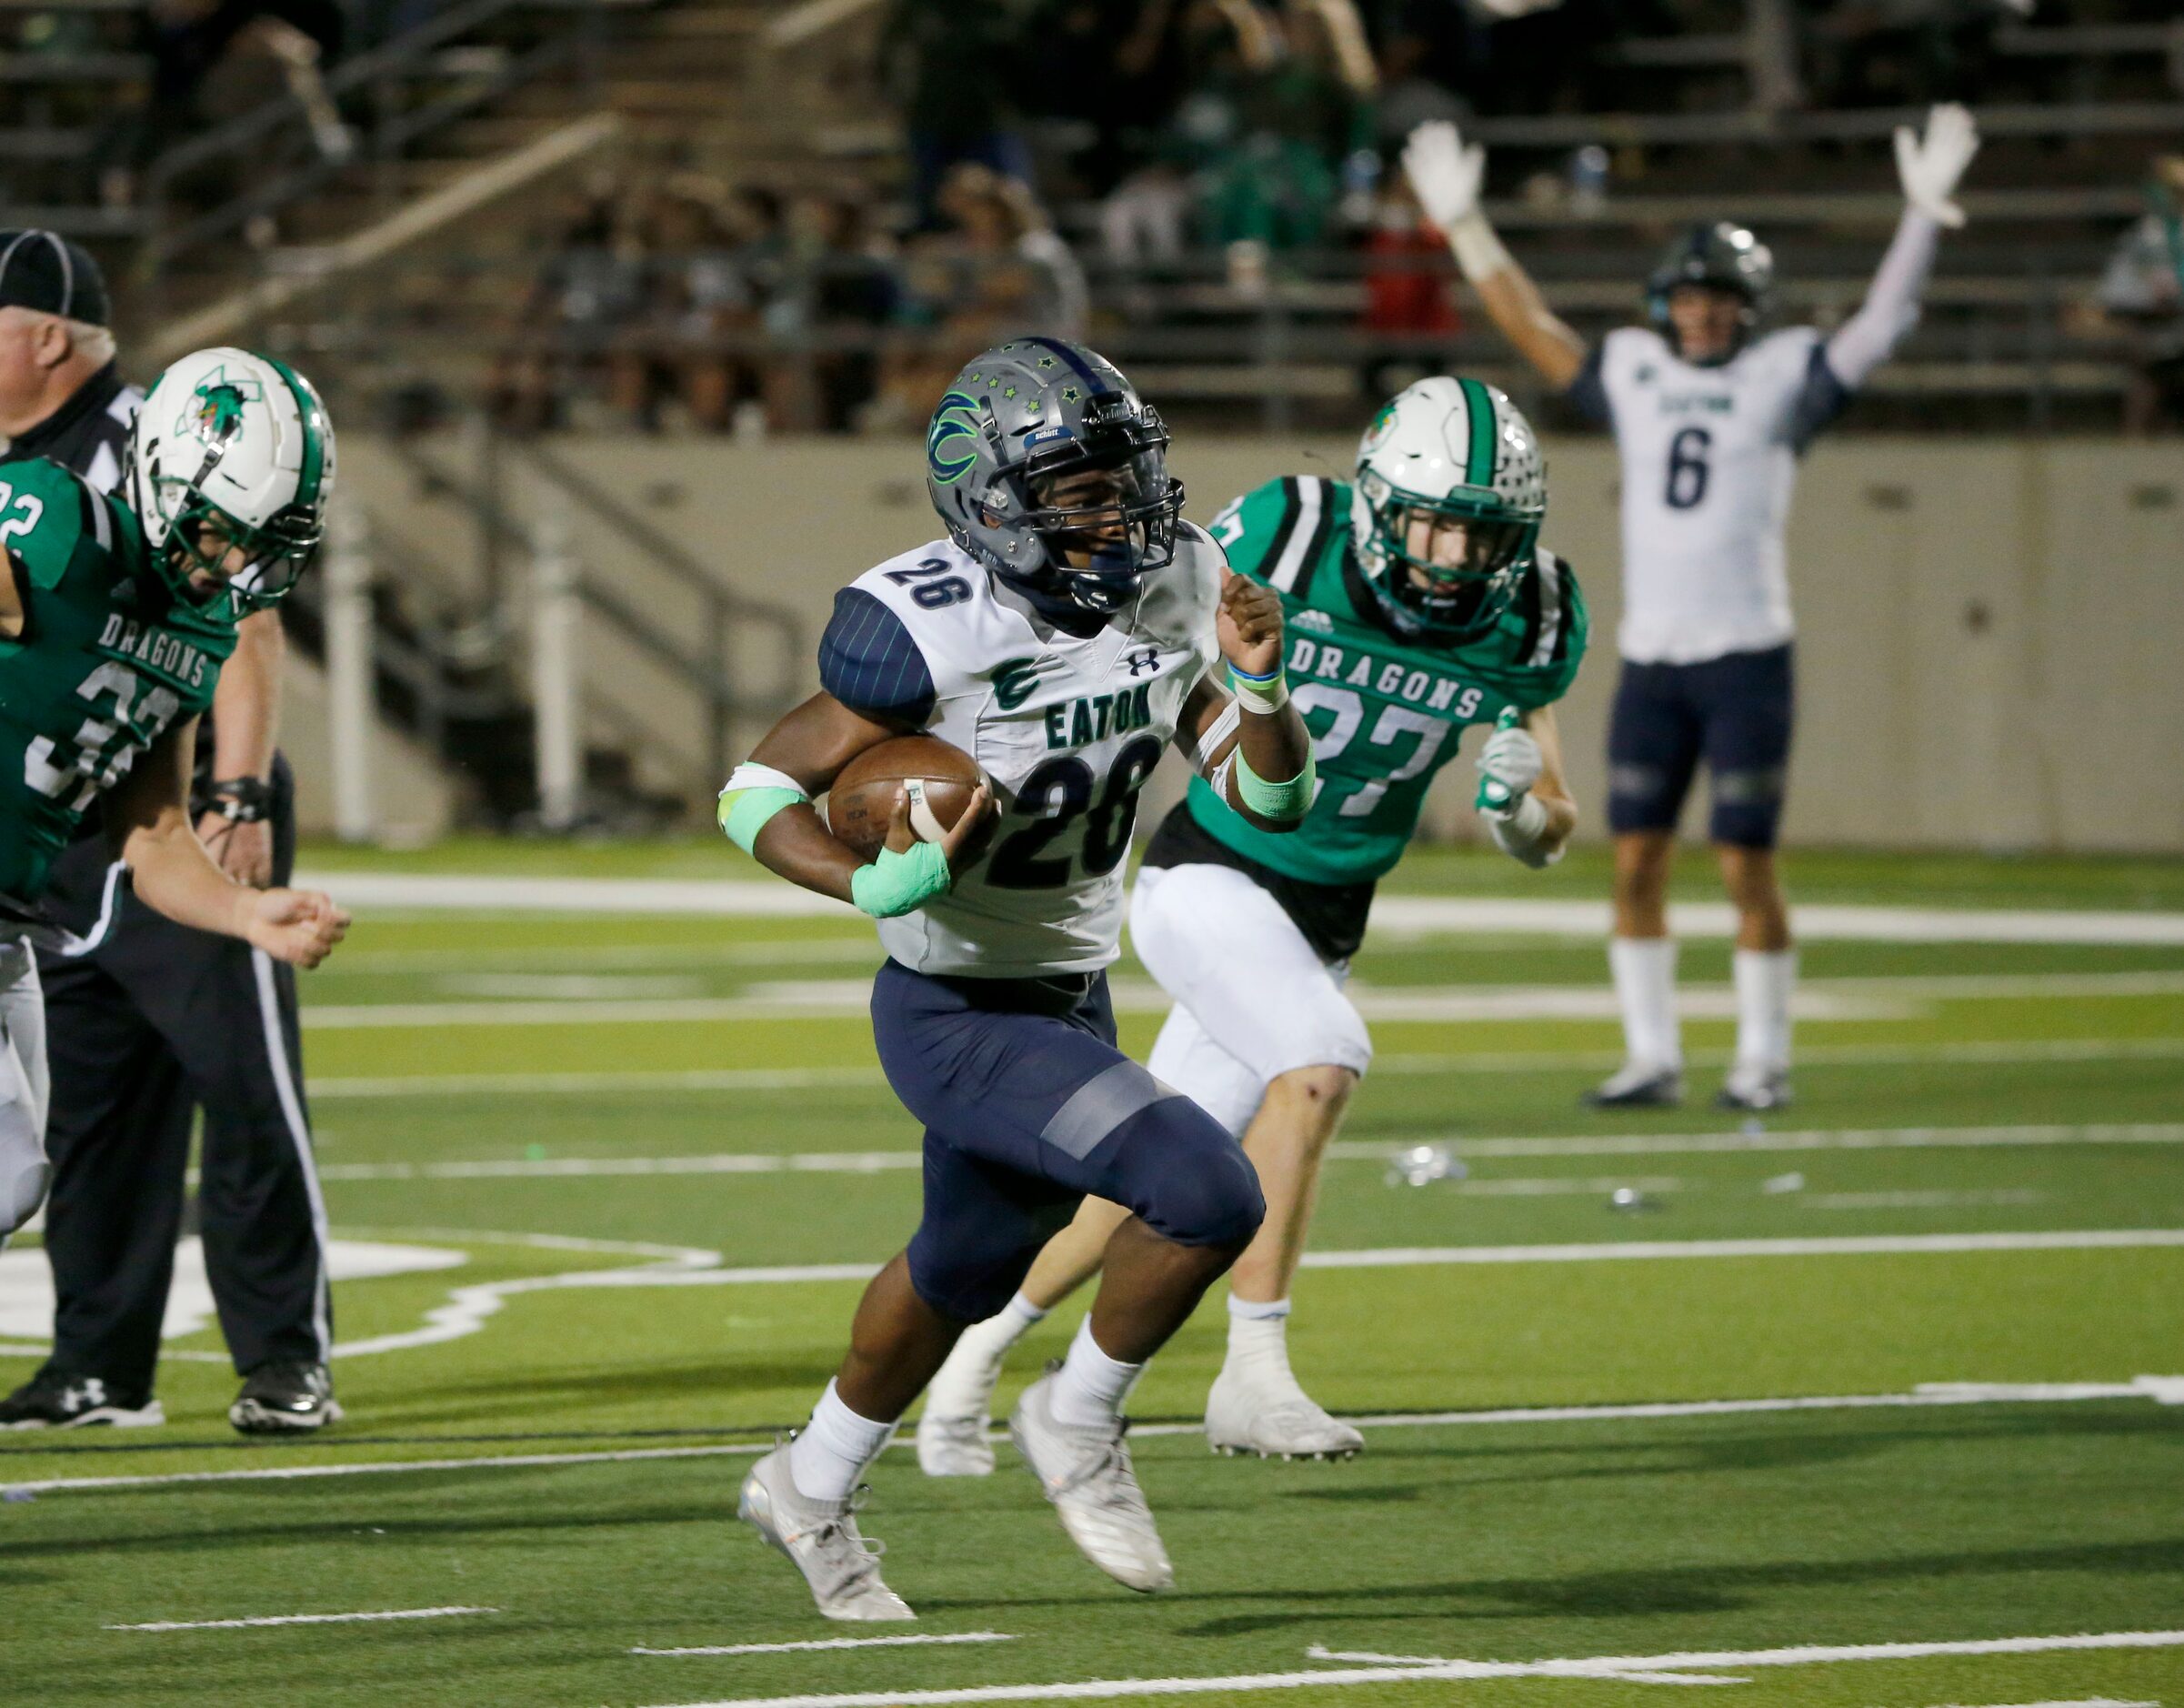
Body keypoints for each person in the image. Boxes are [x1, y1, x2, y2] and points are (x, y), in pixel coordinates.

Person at [716, 337, 1313, 1619]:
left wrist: (1259, 685)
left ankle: (805, 1483)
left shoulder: (1175, 585)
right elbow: (756, 787)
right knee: (1206, 1187)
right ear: (993, 498)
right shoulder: (921, 622)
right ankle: (1079, 1412)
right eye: (1084, 488)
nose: (1126, 514)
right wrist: (861, 882)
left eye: (1129, 478)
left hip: (1067, 986)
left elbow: (1268, 790)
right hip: (951, 1007)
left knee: (961, 1268)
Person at [918, 377, 1586, 1469]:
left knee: (1137, 1179)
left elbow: (1550, 825)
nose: (1454, 561)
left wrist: (1522, 810)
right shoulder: (1292, 527)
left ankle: (970, 1361)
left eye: (1481, 539)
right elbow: (1151, 624)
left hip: (1324, 919)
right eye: (1433, 527)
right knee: (1321, 1061)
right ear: (1372, 502)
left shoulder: (1538, 611)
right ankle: (1250, 1373)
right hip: (1211, 870)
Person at [1401, 104, 1980, 1110]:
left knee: (1747, 868)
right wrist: (1463, 226)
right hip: (1653, 659)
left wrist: (1923, 214)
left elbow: (1878, 327)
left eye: (1721, 299)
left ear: (1747, 309)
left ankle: (1761, 1061)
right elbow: (1532, 332)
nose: (1703, 314)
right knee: (1631, 867)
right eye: (1690, 297)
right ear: (1664, 302)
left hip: (1746, 654)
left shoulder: (1780, 376)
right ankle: (1651, 1058)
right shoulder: (1631, 368)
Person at [0, 241, 342, 1436]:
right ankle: (103, 1359)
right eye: (227, 527)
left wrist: (250, 907)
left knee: (18, 1176)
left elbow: (150, 825)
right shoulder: (40, 511)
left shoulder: (195, 626)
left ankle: (261, 1351)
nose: (242, 558)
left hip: (18, 909)